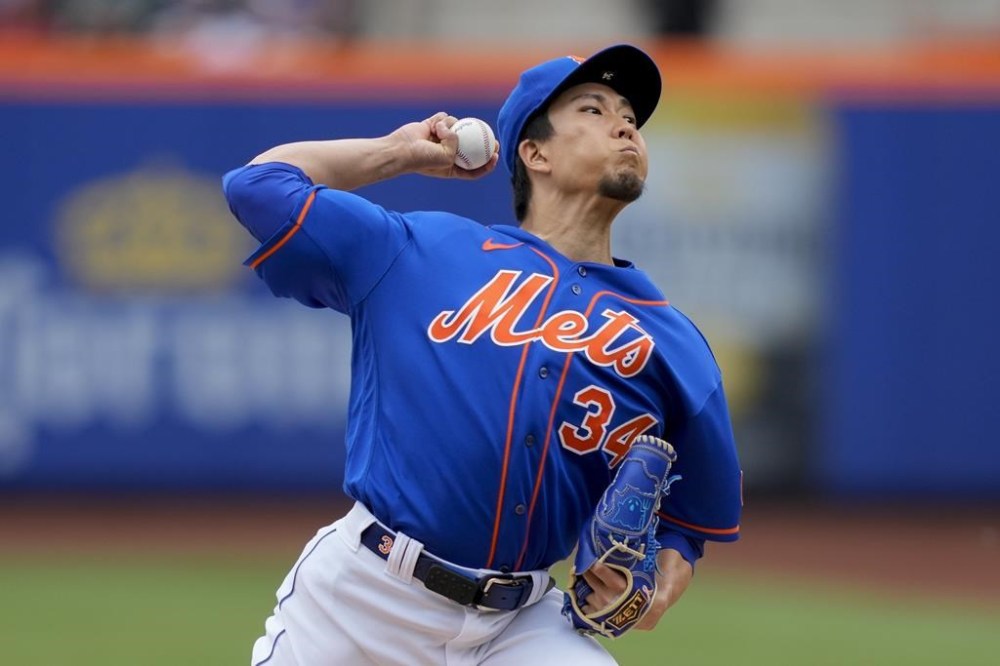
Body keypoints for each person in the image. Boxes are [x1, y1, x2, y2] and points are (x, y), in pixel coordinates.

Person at [223, 43, 742, 666]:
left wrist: (659, 579)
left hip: (521, 626)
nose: (624, 123)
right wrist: (401, 152)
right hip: (364, 600)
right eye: (594, 109)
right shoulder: (421, 249)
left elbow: (689, 520)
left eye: (629, 113)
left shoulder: (670, 339)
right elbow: (257, 186)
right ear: (535, 152)